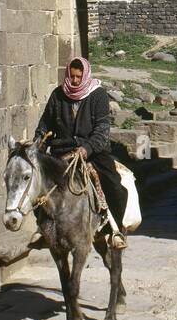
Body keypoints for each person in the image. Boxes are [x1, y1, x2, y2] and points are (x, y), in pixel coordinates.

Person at [34, 56, 129, 249]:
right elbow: (45, 125)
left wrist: (87, 148)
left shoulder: (98, 95)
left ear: (85, 75)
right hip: (61, 152)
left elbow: (102, 130)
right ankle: (42, 230)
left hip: (93, 152)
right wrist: (37, 145)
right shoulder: (58, 95)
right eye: (72, 76)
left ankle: (114, 229)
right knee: (37, 184)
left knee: (114, 185)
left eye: (78, 77)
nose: (75, 80)